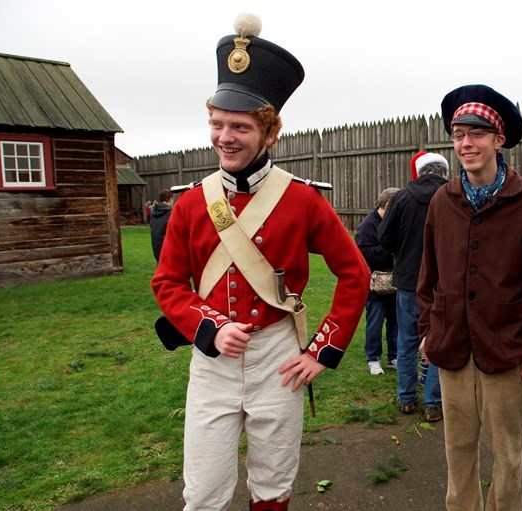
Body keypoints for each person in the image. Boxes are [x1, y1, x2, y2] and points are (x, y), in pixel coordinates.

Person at [151, 12, 369, 511]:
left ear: (269, 134)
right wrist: (207, 326)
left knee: (273, 483)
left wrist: (321, 350)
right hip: (213, 362)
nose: (225, 136)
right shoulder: (190, 203)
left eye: (241, 127)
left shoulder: (302, 200)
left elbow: (353, 272)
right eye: (217, 124)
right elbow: (168, 283)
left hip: (277, 355)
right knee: (203, 490)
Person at [417, 84, 522, 511]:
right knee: (457, 451)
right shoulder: (443, 199)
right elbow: (428, 275)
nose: (466, 144)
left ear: (498, 139)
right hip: (452, 346)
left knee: (508, 455)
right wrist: (428, 330)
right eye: (458, 135)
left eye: (476, 133)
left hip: (505, 347)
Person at [378, 151, 448, 422]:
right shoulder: (452, 194)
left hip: (409, 280)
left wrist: (404, 252)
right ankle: (433, 403)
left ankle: (406, 399)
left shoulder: (403, 197)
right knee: (439, 341)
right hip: (442, 283)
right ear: (443, 172)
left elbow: (383, 237)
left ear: (419, 172)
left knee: (407, 340)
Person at [355, 187, 399, 375]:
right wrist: (388, 250)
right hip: (375, 283)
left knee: (395, 320)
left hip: (395, 281)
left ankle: (393, 356)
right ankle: (373, 359)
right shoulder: (368, 225)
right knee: (375, 321)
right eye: (397, 206)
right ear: (387, 205)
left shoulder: (392, 222)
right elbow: (362, 254)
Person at [149, 188, 173, 262]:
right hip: (167, 247)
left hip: (156, 246)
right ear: (171, 199)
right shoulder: (171, 212)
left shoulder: (154, 212)